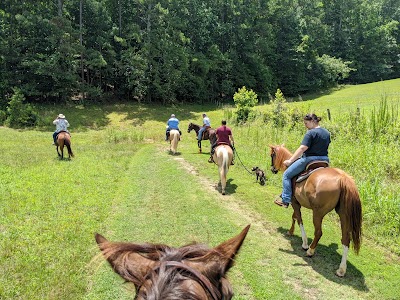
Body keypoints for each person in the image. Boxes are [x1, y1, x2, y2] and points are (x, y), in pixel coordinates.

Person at [274, 113, 331, 208]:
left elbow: (302, 148)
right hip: (325, 160)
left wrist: (290, 160)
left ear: (313, 121)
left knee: (286, 175)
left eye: (306, 123)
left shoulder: (310, 133)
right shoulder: (326, 132)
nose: (306, 126)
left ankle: (286, 199)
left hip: (309, 159)